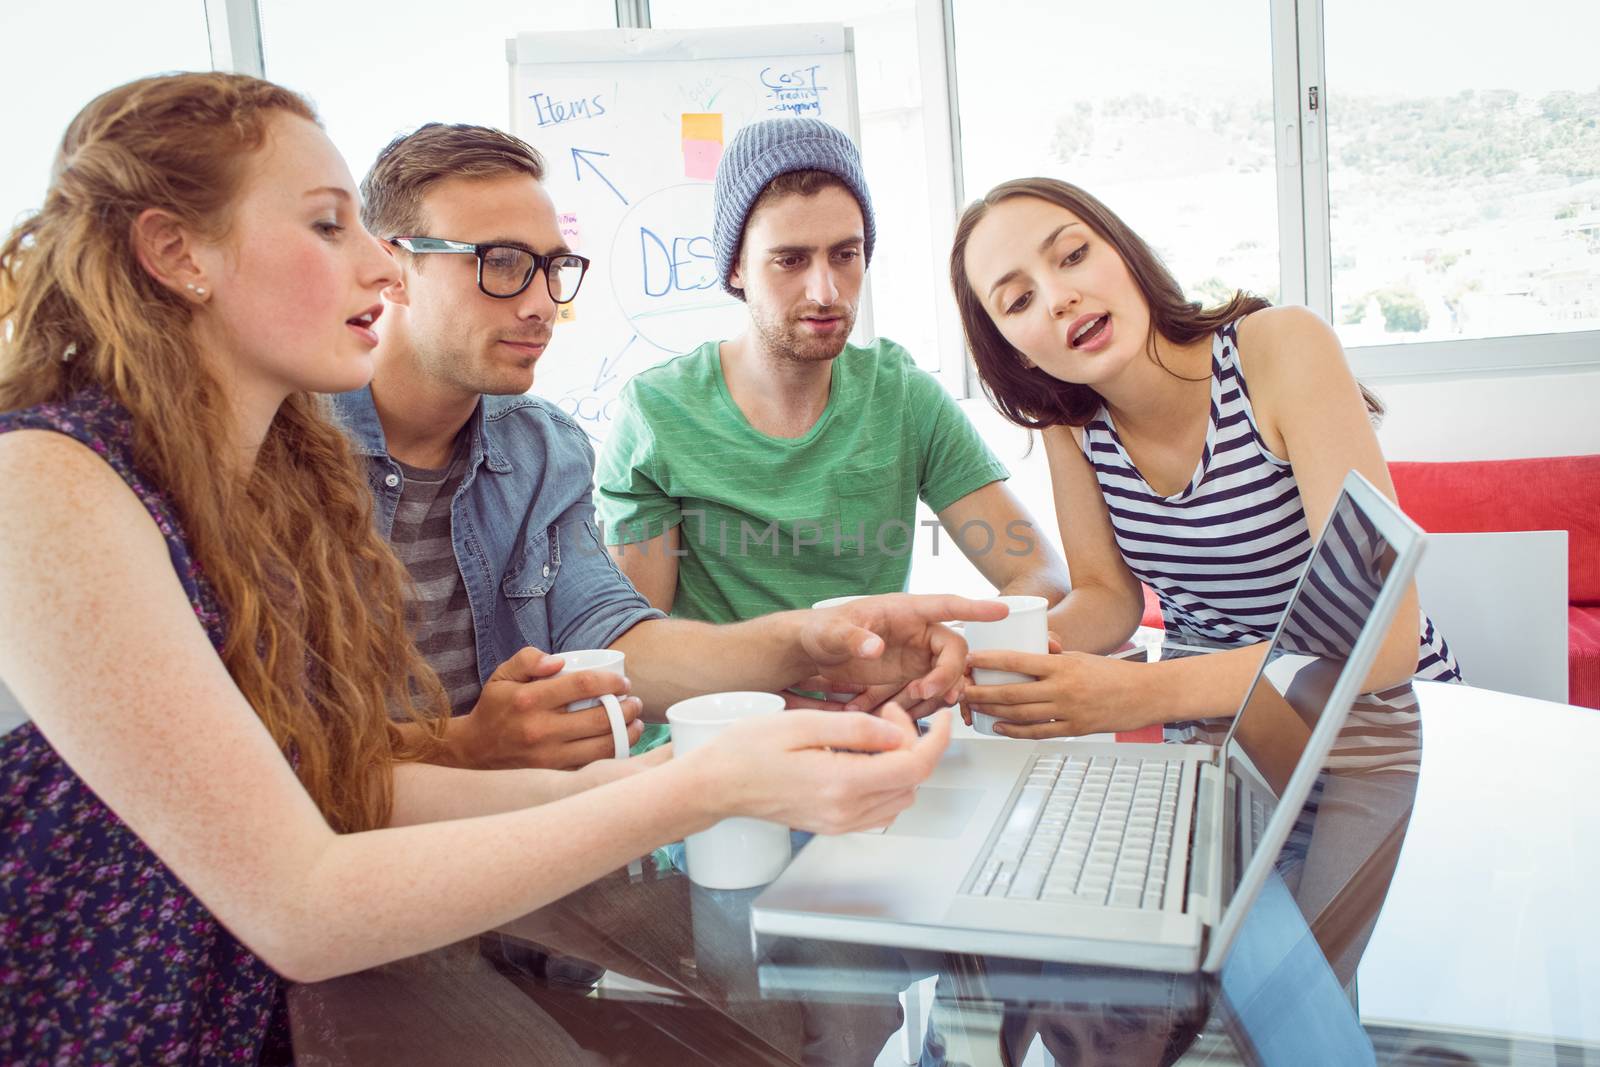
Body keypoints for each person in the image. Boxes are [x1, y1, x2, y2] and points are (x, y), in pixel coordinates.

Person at [0, 73, 974, 1063]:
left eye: (553, 266)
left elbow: (354, 776)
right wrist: (693, 782)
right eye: (331, 226)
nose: (375, 270)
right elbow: (304, 892)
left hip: (306, 943)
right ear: (176, 252)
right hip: (147, 994)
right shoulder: (47, 478)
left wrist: (784, 669)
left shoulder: (320, 465)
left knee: (794, 1010)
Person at [344, 122, 993, 772]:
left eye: (553, 268)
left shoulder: (542, 448)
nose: (543, 303)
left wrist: (816, 642)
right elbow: (274, 745)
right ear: (391, 267)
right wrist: (458, 745)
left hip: (537, 830)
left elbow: (620, 638)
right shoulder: (283, 454)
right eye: (504, 264)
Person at [596, 118, 1071, 744]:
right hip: (721, 753)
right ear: (736, 266)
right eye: (790, 260)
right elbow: (638, 656)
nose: (826, 291)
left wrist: (956, 647)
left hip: (871, 738)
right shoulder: (657, 415)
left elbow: (1041, 576)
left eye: (845, 256)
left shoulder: (902, 396)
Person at [946, 177, 1461, 738]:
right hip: (1223, 740)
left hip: (1375, 721)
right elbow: (1108, 598)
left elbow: (1383, 636)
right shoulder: (1070, 425)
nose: (1057, 298)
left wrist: (1140, 693)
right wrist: (988, 659)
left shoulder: (1280, 348)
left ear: (1124, 251)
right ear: (1013, 351)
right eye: (1019, 301)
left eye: (1073, 255)